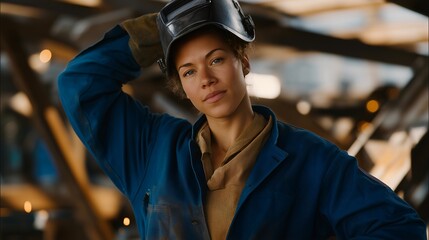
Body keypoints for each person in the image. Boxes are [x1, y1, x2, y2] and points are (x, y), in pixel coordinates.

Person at [58, 0, 427, 239]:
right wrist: (161, 30)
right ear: (181, 87)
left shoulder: (311, 160)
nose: (205, 79)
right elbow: (80, 83)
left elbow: (400, 230)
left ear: (243, 62)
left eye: (216, 59)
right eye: (188, 71)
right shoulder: (152, 151)